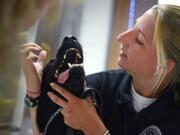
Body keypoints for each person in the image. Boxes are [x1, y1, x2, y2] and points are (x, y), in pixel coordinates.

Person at [21, 4, 180, 135]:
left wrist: (95, 130)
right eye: (133, 27)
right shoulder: (97, 88)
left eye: (138, 40)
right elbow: (46, 130)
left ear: (164, 65)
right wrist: (35, 93)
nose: (121, 38)